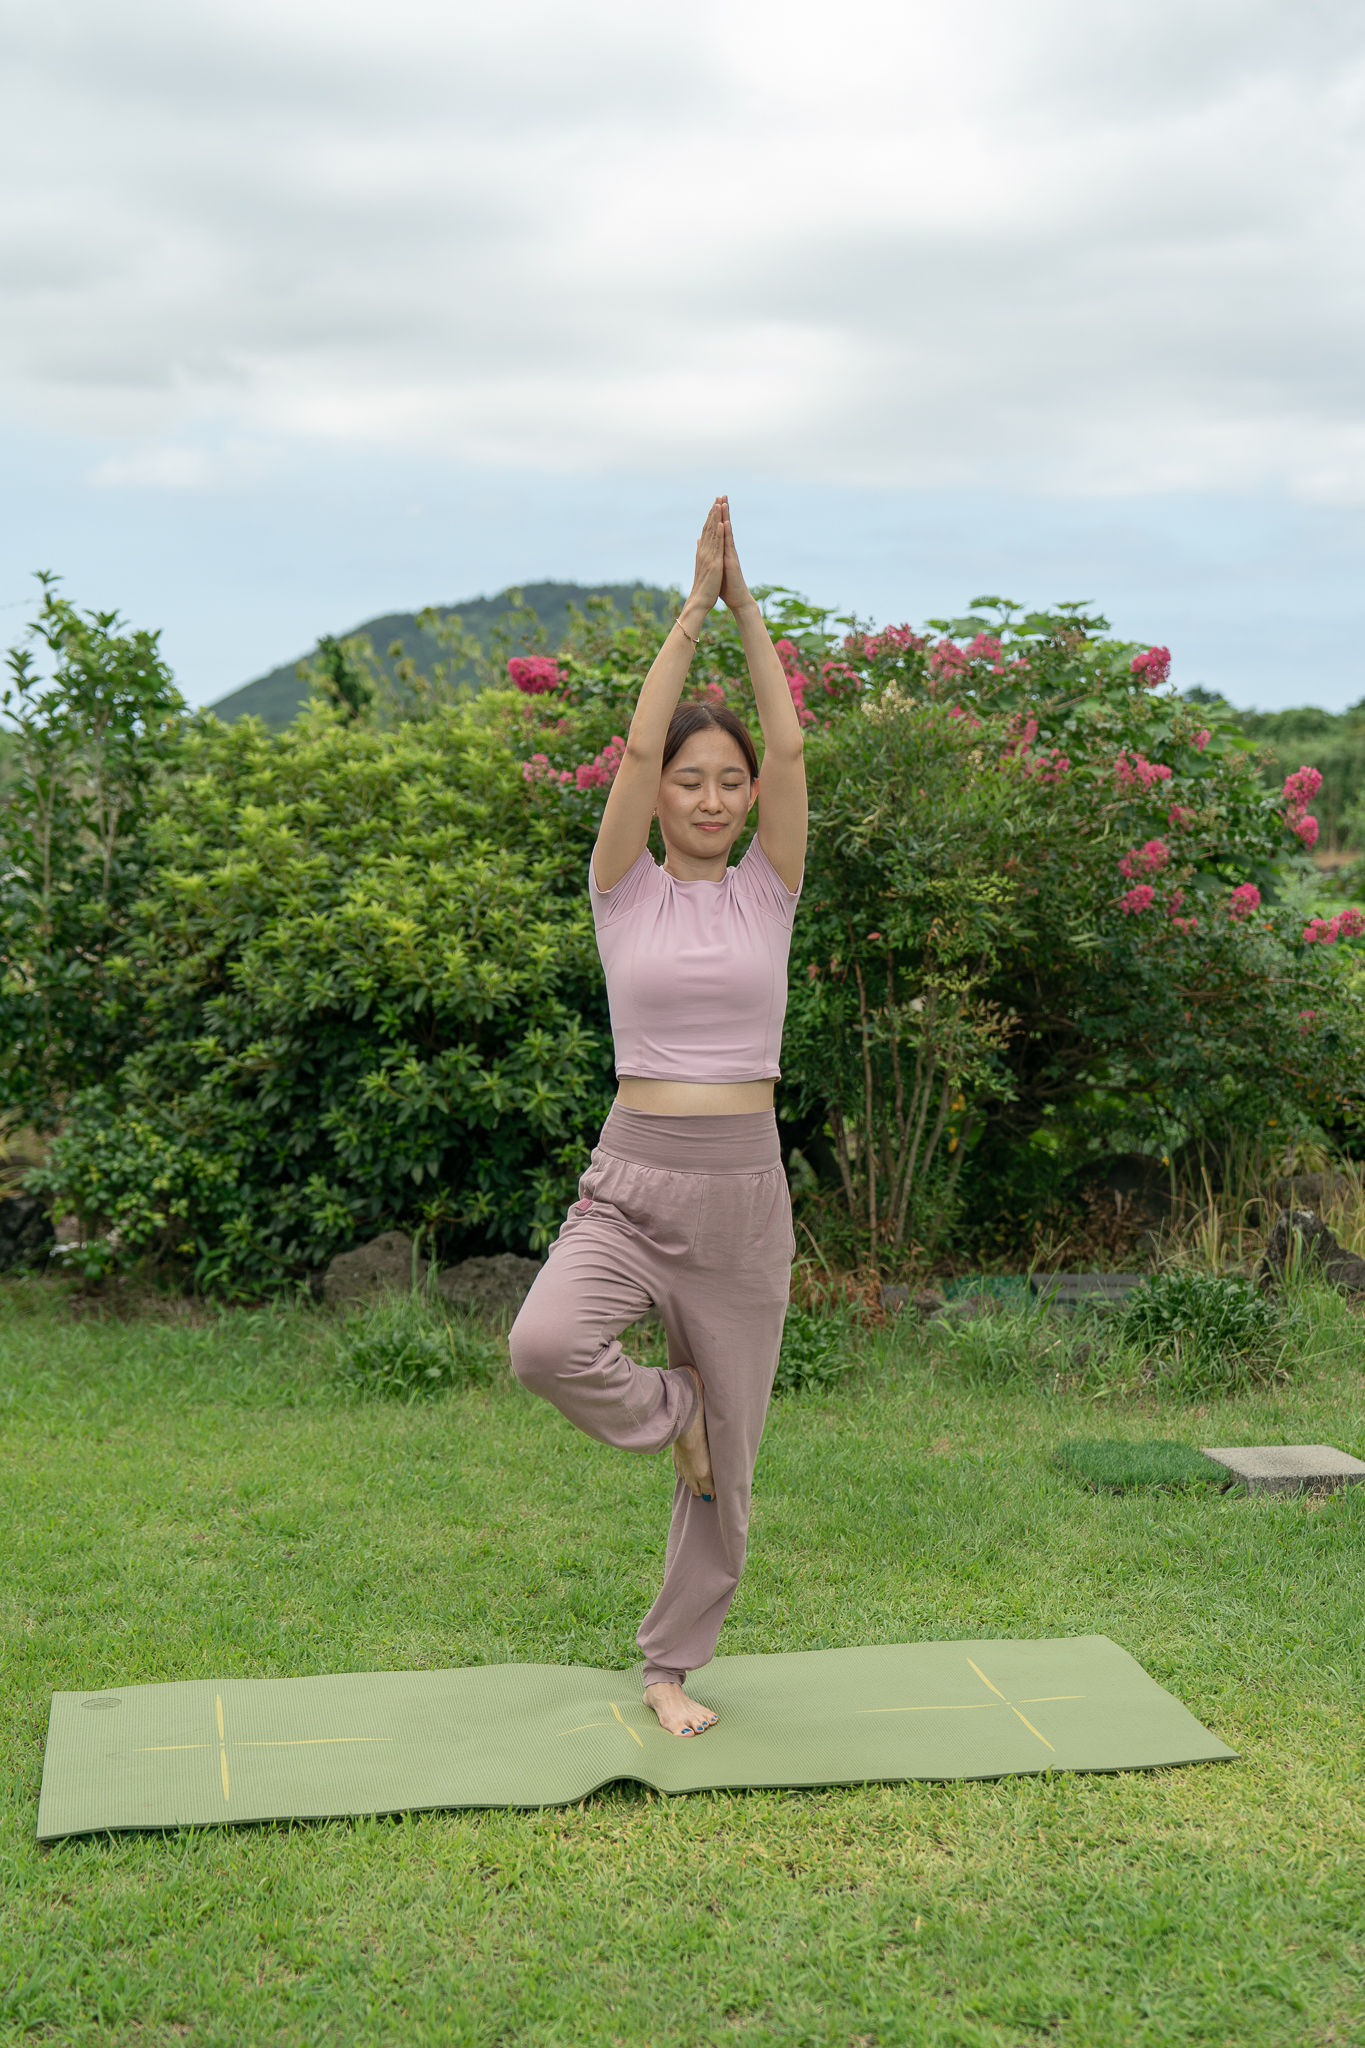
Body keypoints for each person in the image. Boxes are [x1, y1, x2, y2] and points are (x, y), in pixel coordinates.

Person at [509, 496, 808, 1738]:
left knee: (730, 1473)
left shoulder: (770, 891)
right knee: (544, 1343)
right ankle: (672, 1411)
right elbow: (631, 753)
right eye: (691, 779)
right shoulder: (620, 890)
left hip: (742, 1194)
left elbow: (793, 748)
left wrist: (750, 608)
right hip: (632, 1181)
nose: (711, 795)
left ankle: (670, 1665)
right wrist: (692, 612)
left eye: (729, 780)